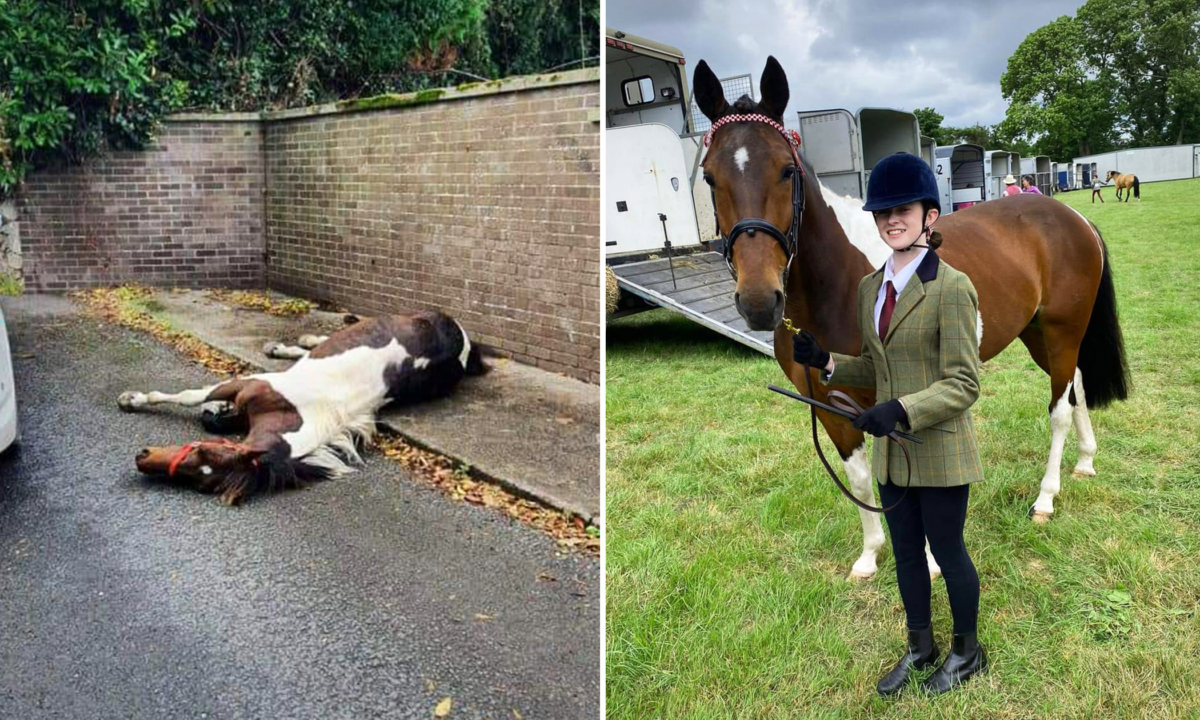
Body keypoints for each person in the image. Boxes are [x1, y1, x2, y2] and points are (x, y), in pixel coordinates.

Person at [791, 152, 987, 696]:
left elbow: (964, 383)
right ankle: (920, 647)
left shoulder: (953, 287)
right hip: (892, 456)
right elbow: (876, 368)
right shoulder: (869, 288)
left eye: (903, 209)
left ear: (929, 216)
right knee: (905, 555)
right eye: (883, 212)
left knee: (948, 552)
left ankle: (967, 651)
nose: (892, 220)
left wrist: (899, 409)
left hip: (940, 448)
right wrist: (828, 362)